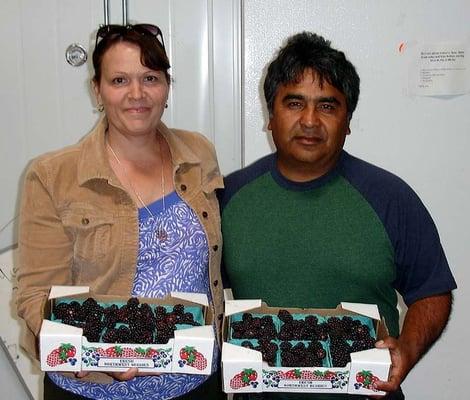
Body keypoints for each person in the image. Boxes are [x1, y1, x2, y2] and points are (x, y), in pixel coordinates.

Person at [220, 32, 456, 399]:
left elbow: (432, 291)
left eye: (328, 106)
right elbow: (201, 296)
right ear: (270, 116)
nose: (310, 120)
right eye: (294, 103)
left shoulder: (391, 198)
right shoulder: (227, 198)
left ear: (348, 120)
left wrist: (407, 349)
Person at [16, 24, 225, 400]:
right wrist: (96, 352)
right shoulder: (52, 176)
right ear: (97, 89)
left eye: (150, 78)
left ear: (167, 86)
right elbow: (35, 295)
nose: (137, 94)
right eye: (119, 80)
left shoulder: (199, 154)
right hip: (92, 390)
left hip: (193, 384)